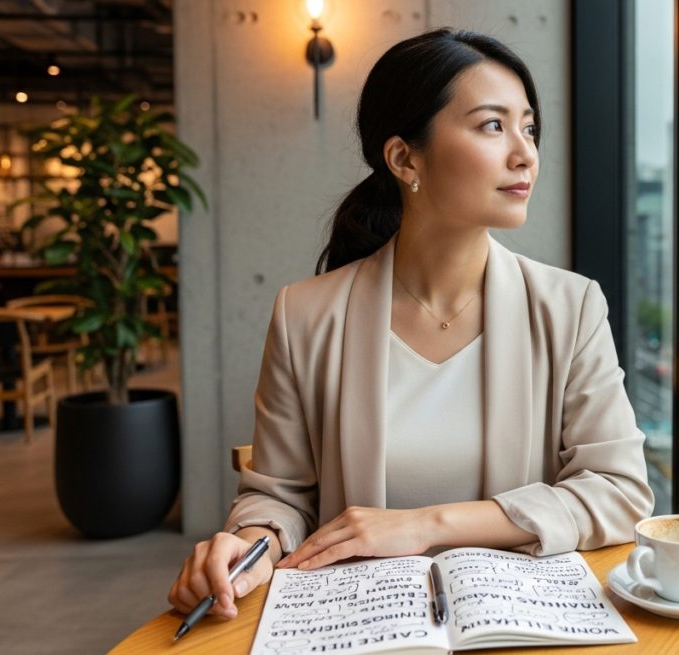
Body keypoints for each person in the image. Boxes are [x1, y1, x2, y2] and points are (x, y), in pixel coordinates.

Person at [168, 28, 654, 621]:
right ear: (404, 157)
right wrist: (248, 546)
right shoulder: (306, 315)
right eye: (492, 125)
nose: (526, 152)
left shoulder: (570, 307)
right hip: (367, 625)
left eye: (528, 126)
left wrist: (425, 525)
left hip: (516, 628)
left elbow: (620, 491)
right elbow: (279, 497)